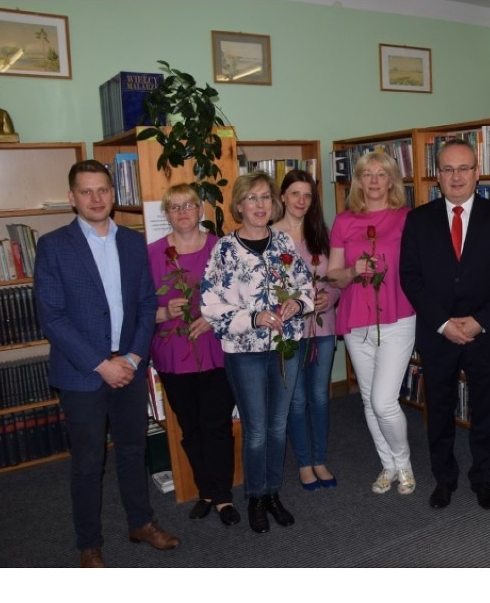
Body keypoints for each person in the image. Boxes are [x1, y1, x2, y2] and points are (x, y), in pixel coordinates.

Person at [34, 160, 180, 568]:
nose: (96, 199)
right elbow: (52, 318)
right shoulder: (54, 246)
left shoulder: (133, 243)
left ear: (113, 195)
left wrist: (132, 357)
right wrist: (102, 364)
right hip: (83, 372)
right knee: (87, 461)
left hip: (130, 366)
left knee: (134, 450)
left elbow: (147, 303)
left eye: (103, 190)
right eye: (86, 191)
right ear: (72, 198)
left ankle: (141, 522)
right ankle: (89, 544)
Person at [400, 139, 490, 511]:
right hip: (439, 336)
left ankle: (483, 478)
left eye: (464, 168)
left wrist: (480, 322)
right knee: (440, 410)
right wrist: (441, 324)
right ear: (438, 175)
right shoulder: (418, 219)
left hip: (483, 334)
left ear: (477, 172)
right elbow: (410, 277)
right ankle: (444, 478)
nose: (456, 176)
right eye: (448, 169)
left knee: (484, 410)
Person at [201, 171, 314, 534]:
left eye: (266, 197)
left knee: (279, 427)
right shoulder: (225, 249)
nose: (260, 205)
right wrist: (253, 317)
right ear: (238, 206)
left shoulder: (283, 241)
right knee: (257, 430)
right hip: (245, 351)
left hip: (285, 348)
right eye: (252, 198)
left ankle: (272, 494)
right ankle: (254, 496)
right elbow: (210, 305)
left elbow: (306, 284)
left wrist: (298, 302)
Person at [147, 184, 239, 525]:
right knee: (190, 429)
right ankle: (206, 491)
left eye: (189, 205)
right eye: (174, 206)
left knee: (217, 426)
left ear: (201, 210)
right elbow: (140, 308)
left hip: (216, 349)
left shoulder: (222, 247)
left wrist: (213, 317)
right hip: (172, 354)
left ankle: (224, 497)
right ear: (166, 215)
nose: (182, 211)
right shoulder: (152, 253)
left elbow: (240, 297)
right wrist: (164, 313)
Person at [327, 152, 416, 496]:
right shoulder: (344, 220)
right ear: (359, 181)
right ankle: (389, 465)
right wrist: (352, 272)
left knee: (384, 401)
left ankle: (404, 463)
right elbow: (334, 276)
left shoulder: (407, 217)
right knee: (367, 400)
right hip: (355, 319)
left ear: (392, 180)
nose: (374, 181)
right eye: (367, 174)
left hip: (397, 316)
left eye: (382, 174)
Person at [274, 170, 340, 490]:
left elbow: (336, 277)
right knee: (296, 399)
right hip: (289, 332)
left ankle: (319, 458)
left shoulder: (320, 233)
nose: (301, 201)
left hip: (323, 327)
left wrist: (331, 297)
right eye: (295, 193)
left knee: (320, 396)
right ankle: (303, 462)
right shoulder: (270, 236)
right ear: (283, 196)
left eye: (308, 195)